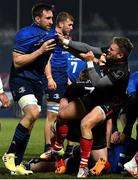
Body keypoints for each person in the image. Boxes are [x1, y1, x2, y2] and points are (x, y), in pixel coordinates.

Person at [51, 36, 134, 178]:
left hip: (109, 103)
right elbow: (87, 48)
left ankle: (83, 168)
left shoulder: (121, 71)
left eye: (112, 49)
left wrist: (90, 62)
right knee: (62, 115)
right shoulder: (111, 55)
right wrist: (66, 43)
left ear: (120, 54)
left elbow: (98, 83)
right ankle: (57, 148)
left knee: (86, 124)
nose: (108, 49)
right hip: (96, 96)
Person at [2, 3, 57, 175]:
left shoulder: (51, 33)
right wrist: (40, 51)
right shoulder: (25, 34)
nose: (51, 21)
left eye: (52, 18)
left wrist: (48, 77)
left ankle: (17, 164)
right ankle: (9, 154)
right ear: (37, 18)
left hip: (37, 82)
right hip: (21, 79)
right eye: (47, 18)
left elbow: (47, 59)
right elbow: (18, 61)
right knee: (32, 113)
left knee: (31, 122)